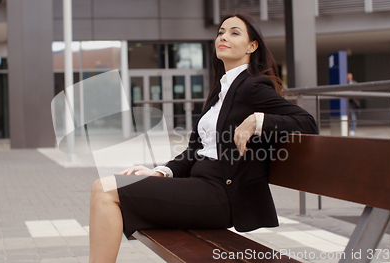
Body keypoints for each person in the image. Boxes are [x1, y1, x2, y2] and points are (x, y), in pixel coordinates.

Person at [89, 13, 319, 263]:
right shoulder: (220, 92)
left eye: (234, 32)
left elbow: (308, 123)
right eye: (221, 32)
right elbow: (193, 152)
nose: (223, 37)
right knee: (104, 189)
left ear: (251, 47)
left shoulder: (253, 87)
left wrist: (258, 121)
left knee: (105, 190)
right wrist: (160, 172)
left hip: (220, 194)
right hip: (198, 187)